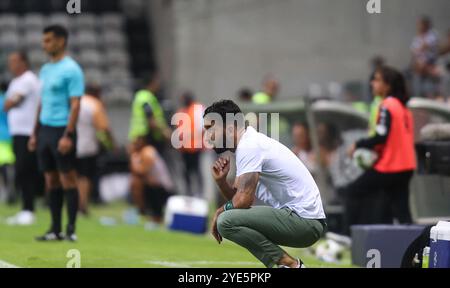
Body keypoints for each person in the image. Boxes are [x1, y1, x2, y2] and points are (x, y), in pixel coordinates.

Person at [204, 100, 326, 268]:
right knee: (227, 219)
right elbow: (239, 201)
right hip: (303, 221)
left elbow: (243, 202)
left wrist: (219, 211)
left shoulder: (249, 146)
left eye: (211, 127)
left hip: (305, 222)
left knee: (225, 221)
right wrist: (221, 182)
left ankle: (290, 264)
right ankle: (286, 265)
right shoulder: (247, 144)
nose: (207, 135)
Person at [28, 25, 84, 241]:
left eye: (49, 40)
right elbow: (42, 102)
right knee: (50, 180)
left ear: (61, 41)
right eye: (44, 40)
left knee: (68, 178)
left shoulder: (72, 69)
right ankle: (54, 229)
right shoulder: (45, 69)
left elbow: (76, 104)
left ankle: (70, 229)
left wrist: (68, 135)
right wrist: (35, 132)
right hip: (45, 130)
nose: (45, 45)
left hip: (62, 129)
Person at [346, 66, 416, 233]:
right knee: (402, 212)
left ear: (388, 85)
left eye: (377, 80)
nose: (372, 83)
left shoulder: (387, 105)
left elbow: (381, 136)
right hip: (406, 166)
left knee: (353, 191)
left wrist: (358, 144)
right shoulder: (402, 106)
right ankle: (417, 248)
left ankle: (347, 235)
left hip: (390, 166)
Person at [4, 51, 42, 225]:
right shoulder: (15, 82)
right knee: (21, 170)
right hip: (17, 132)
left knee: (25, 170)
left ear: (24, 62)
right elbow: (7, 104)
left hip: (27, 132)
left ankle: (29, 209)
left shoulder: (28, 79)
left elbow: (12, 102)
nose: (11, 65)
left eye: (14, 61)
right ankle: (25, 208)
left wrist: (10, 102)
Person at [76, 84, 115, 215]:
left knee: (74, 174)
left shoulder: (75, 101)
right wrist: (111, 143)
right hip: (87, 145)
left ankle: (74, 203)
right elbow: (103, 127)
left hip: (72, 143)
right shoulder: (94, 104)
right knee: (85, 176)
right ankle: (83, 205)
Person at [130, 136, 174, 225]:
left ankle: (155, 215)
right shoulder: (142, 152)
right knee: (137, 183)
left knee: (138, 183)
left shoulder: (147, 151)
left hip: (162, 188)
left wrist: (133, 157)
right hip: (155, 186)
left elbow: (141, 171)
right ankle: (145, 212)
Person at [176, 91, 204, 197]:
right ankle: (188, 193)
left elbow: (201, 128)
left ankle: (199, 193)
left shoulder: (197, 109)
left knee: (196, 170)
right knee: (186, 171)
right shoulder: (183, 110)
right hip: (185, 148)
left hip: (195, 147)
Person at [410, 16, 440, 98]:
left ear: (426, 25)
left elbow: (424, 47)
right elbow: (413, 52)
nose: (419, 27)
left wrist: (419, 50)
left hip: (430, 63)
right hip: (419, 65)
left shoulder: (432, 34)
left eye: (421, 25)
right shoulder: (417, 38)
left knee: (429, 88)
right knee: (416, 85)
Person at [0, 83, 15, 203]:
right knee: (7, 166)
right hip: (8, 135)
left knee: (4, 166)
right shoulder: (7, 99)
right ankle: (10, 191)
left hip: (2, 137)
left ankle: (7, 193)